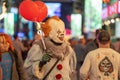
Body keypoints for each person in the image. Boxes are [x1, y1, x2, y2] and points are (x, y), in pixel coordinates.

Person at [24, 16, 77, 80]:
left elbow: (72, 69)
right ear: (50, 33)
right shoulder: (39, 47)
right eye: (58, 31)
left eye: (63, 31)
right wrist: (40, 64)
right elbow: (28, 70)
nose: (61, 34)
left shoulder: (68, 49)